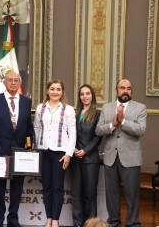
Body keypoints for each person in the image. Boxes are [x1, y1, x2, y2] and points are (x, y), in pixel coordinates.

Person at [0, 71, 35, 227]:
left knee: (17, 189)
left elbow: (28, 126)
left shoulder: (26, 101)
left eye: (16, 80)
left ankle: (13, 219)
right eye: (10, 80)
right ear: (4, 82)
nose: (13, 82)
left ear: (20, 83)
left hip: (20, 153)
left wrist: (30, 142)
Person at [96, 79, 147, 227]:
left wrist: (123, 121)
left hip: (131, 158)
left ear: (131, 91)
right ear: (116, 90)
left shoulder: (140, 108)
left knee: (132, 194)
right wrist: (113, 124)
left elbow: (140, 130)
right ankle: (113, 222)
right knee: (111, 193)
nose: (126, 91)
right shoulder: (106, 108)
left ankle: (132, 223)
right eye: (122, 88)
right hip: (111, 156)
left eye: (129, 88)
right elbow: (99, 130)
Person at [33, 79, 76, 227]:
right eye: (52, 89)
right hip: (44, 152)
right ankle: (49, 218)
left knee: (57, 187)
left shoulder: (68, 109)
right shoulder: (40, 108)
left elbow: (72, 133)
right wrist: (36, 148)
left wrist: (69, 154)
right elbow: (37, 128)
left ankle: (56, 220)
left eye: (58, 89)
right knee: (46, 187)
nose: (55, 92)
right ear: (47, 91)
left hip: (60, 154)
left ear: (62, 92)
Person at [70, 84, 102, 227]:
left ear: (92, 96)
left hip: (90, 159)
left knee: (89, 194)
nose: (85, 96)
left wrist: (85, 150)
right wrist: (74, 149)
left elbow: (97, 137)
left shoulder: (98, 114)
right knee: (76, 194)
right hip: (75, 159)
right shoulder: (74, 112)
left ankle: (91, 224)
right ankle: (77, 224)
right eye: (82, 94)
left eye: (87, 93)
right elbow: (69, 133)